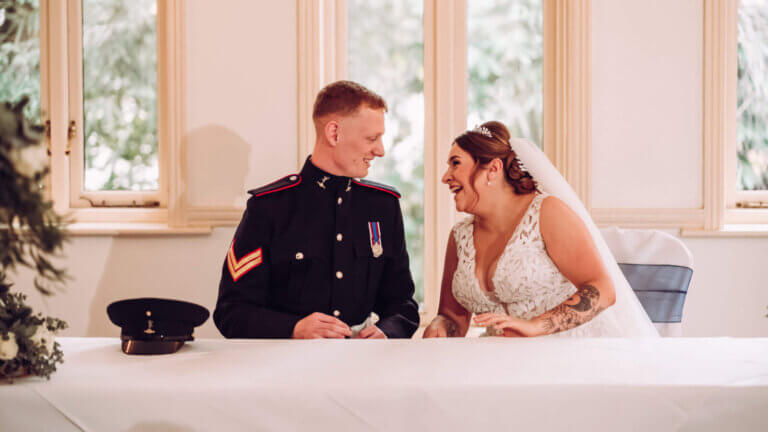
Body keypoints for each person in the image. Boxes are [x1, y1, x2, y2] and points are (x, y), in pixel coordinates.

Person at [214, 80, 420, 339]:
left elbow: (403, 304)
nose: (380, 150)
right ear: (333, 133)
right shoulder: (269, 208)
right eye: (372, 138)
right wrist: (293, 328)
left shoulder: (382, 206)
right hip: (283, 367)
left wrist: (387, 331)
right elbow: (230, 312)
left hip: (362, 364)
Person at [424, 121, 657, 338]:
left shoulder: (547, 213)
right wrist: (442, 325)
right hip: (500, 361)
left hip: (569, 353)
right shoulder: (459, 237)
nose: (445, 177)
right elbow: (453, 316)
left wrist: (536, 325)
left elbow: (603, 290)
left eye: (455, 163)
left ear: (493, 169)